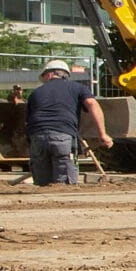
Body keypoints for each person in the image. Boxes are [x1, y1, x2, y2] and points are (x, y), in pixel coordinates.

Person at [23, 58, 106, 186]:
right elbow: (92, 103)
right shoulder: (78, 88)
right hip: (63, 135)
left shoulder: (35, 93)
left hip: (37, 137)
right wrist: (103, 134)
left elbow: (28, 122)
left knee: (41, 184)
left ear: (49, 74)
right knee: (64, 183)